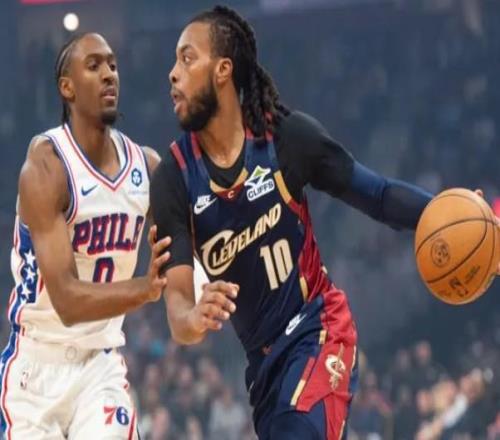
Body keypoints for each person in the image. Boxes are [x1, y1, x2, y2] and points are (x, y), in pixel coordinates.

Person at [150, 6, 435, 439]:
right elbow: (177, 312)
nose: (172, 73)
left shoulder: (285, 138)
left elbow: (377, 196)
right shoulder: (174, 178)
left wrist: (447, 211)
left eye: (187, 58)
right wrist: (194, 317)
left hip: (320, 328)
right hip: (265, 369)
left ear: (223, 70)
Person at [0, 32, 173, 439]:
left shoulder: (146, 166)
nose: (109, 74)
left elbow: (188, 241)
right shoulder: (46, 167)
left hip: (99, 364)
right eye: (93, 66)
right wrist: (145, 289)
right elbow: (66, 301)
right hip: (35, 370)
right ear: (67, 87)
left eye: (112, 64)